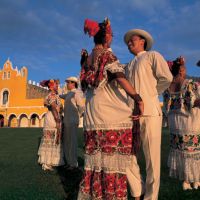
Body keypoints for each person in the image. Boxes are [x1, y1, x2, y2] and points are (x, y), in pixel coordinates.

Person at [77, 18, 144, 200]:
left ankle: (96, 194)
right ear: (106, 36)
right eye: (112, 35)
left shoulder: (87, 58)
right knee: (114, 158)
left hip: (92, 115)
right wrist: (137, 98)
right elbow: (120, 77)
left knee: (97, 159)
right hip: (107, 112)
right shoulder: (107, 55)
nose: (112, 38)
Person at [123, 29, 173, 200]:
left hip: (150, 113)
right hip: (131, 115)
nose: (129, 43)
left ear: (142, 41)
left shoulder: (152, 56)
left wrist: (151, 94)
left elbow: (166, 77)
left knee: (152, 159)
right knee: (127, 155)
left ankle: (151, 197)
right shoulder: (128, 65)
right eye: (128, 42)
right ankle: (138, 189)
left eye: (133, 40)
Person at [164, 57, 200, 190]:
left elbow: (168, 107)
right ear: (180, 71)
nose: (185, 71)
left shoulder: (167, 87)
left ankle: (185, 180)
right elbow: (193, 102)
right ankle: (195, 179)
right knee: (192, 150)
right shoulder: (189, 84)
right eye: (184, 69)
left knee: (181, 149)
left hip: (175, 123)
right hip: (189, 121)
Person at [38, 79, 64, 171]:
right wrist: (57, 120)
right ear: (51, 86)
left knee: (52, 138)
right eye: (56, 85)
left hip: (52, 116)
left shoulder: (52, 95)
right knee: (51, 138)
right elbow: (53, 107)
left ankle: (50, 161)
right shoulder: (52, 95)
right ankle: (47, 163)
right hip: (53, 117)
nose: (58, 86)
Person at [59, 76, 85, 169]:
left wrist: (78, 115)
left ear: (73, 83)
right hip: (67, 121)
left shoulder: (77, 93)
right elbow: (60, 96)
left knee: (72, 142)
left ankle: (73, 163)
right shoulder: (69, 94)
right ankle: (68, 162)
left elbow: (81, 106)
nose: (67, 84)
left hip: (73, 120)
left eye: (68, 82)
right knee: (67, 142)